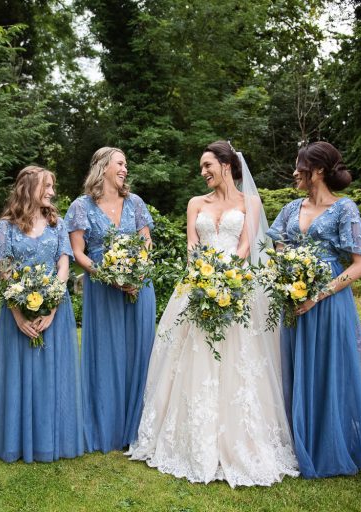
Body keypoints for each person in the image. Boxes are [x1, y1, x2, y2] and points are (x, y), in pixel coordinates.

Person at [127, 141, 299, 488]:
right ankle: (191, 439)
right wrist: (203, 277)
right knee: (193, 357)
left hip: (238, 285)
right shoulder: (195, 203)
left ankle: (241, 441)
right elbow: (193, 244)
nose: (203, 172)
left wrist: (227, 278)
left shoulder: (251, 202)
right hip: (198, 283)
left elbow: (246, 244)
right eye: (201, 167)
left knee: (241, 359)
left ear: (226, 164)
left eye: (207, 165)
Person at [267, 141, 361, 478]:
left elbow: (360, 264)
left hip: (329, 302)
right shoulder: (290, 209)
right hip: (293, 300)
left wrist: (317, 295)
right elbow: (278, 247)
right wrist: (287, 274)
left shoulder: (344, 208)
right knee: (294, 367)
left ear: (318, 170)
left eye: (300, 167)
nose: (295, 173)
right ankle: (298, 442)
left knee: (328, 368)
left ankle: (329, 444)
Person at [0, 165, 84, 463]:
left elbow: (63, 265)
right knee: (19, 375)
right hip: (17, 310)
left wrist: (52, 307)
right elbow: (3, 269)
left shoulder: (57, 223)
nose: (52, 191)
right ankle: (18, 441)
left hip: (55, 309)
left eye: (52, 186)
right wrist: (18, 315)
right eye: (47, 186)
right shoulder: (7, 226)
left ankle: (49, 439)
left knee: (51, 375)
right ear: (29, 188)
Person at [65, 147, 157, 453]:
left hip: (138, 286)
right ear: (103, 166)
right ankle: (107, 426)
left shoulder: (135, 202)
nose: (125, 169)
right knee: (107, 354)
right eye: (120, 163)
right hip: (102, 289)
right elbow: (77, 252)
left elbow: (146, 242)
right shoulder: (81, 206)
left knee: (139, 351)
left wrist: (135, 273)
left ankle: (138, 427)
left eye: (126, 165)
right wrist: (108, 275)